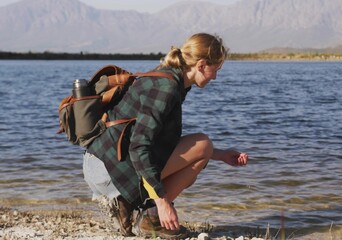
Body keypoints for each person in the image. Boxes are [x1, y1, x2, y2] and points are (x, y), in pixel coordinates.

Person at [82, 33, 249, 238]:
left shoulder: (172, 79)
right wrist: (162, 202)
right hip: (108, 170)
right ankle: (150, 217)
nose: (215, 76)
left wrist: (221, 155)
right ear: (202, 64)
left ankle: (138, 210)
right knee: (202, 144)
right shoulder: (167, 88)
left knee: (203, 151)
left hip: (105, 163)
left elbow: (156, 144)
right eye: (217, 69)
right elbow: (139, 147)